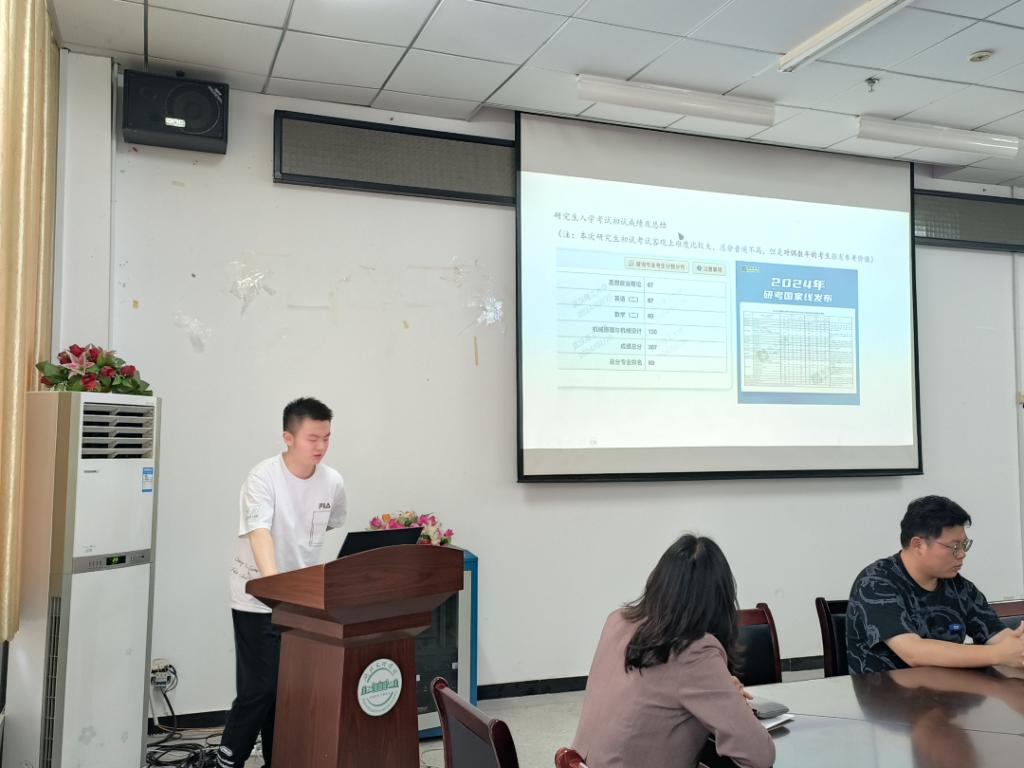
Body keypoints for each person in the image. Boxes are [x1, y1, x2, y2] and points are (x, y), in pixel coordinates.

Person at [216, 397, 347, 768]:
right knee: (261, 688)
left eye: (326, 438)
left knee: (290, 689)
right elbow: (259, 532)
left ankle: (280, 759)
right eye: (312, 438)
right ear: (288, 437)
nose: (320, 446)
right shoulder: (263, 477)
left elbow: (331, 522)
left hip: (303, 599)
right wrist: (275, 588)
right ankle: (228, 759)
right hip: (258, 598)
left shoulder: (332, 482)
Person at [571, 534, 774, 768]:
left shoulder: (617, 620)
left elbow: (659, 689)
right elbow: (760, 755)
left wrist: (719, 688)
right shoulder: (694, 651)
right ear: (720, 598)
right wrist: (732, 701)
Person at [846, 495, 1024, 675]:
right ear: (918, 545)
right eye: (955, 546)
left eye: (964, 545)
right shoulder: (876, 583)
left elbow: (996, 635)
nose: (962, 554)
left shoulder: (959, 587)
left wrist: (1016, 645)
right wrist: (997, 654)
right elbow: (913, 652)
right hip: (886, 690)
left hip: (949, 688)